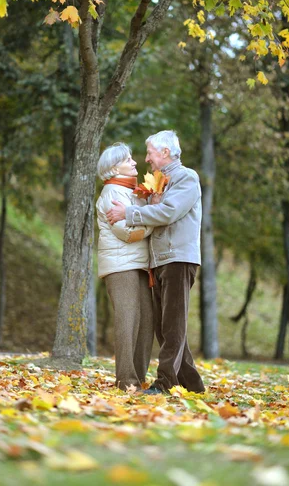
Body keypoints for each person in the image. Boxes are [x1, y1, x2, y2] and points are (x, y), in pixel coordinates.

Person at [106, 130, 205, 394]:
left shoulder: (186, 177)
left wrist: (127, 213)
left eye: (150, 152)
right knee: (167, 328)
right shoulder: (160, 181)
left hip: (178, 259)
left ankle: (165, 383)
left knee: (172, 327)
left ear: (165, 152)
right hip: (160, 262)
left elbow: (168, 212)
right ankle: (193, 384)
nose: (146, 158)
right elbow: (154, 211)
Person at [96, 142, 154, 391]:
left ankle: (137, 378)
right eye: (128, 159)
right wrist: (154, 222)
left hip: (139, 264)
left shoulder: (132, 193)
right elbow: (126, 233)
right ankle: (125, 380)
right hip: (120, 267)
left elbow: (142, 221)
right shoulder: (112, 193)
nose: (134, 163)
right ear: (113, 167)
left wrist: (149, 216)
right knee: (128, 320)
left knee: (147, 320)